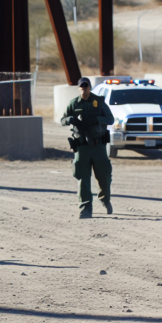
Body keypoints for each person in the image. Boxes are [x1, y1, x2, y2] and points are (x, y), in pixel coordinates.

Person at [61, 77, 115, 218]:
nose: (84, 89)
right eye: (81, 87)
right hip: (82, 147)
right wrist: (69, 120)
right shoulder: (73, 104)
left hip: (98, 146)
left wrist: (97, 119)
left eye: (86, 86)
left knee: (104, 176)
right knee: (83, 178)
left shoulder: (99, 102)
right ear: (79, 88)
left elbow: (110, 119)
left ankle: (105, 199)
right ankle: (86, 208)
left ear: (90, 87)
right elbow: (63, 119)